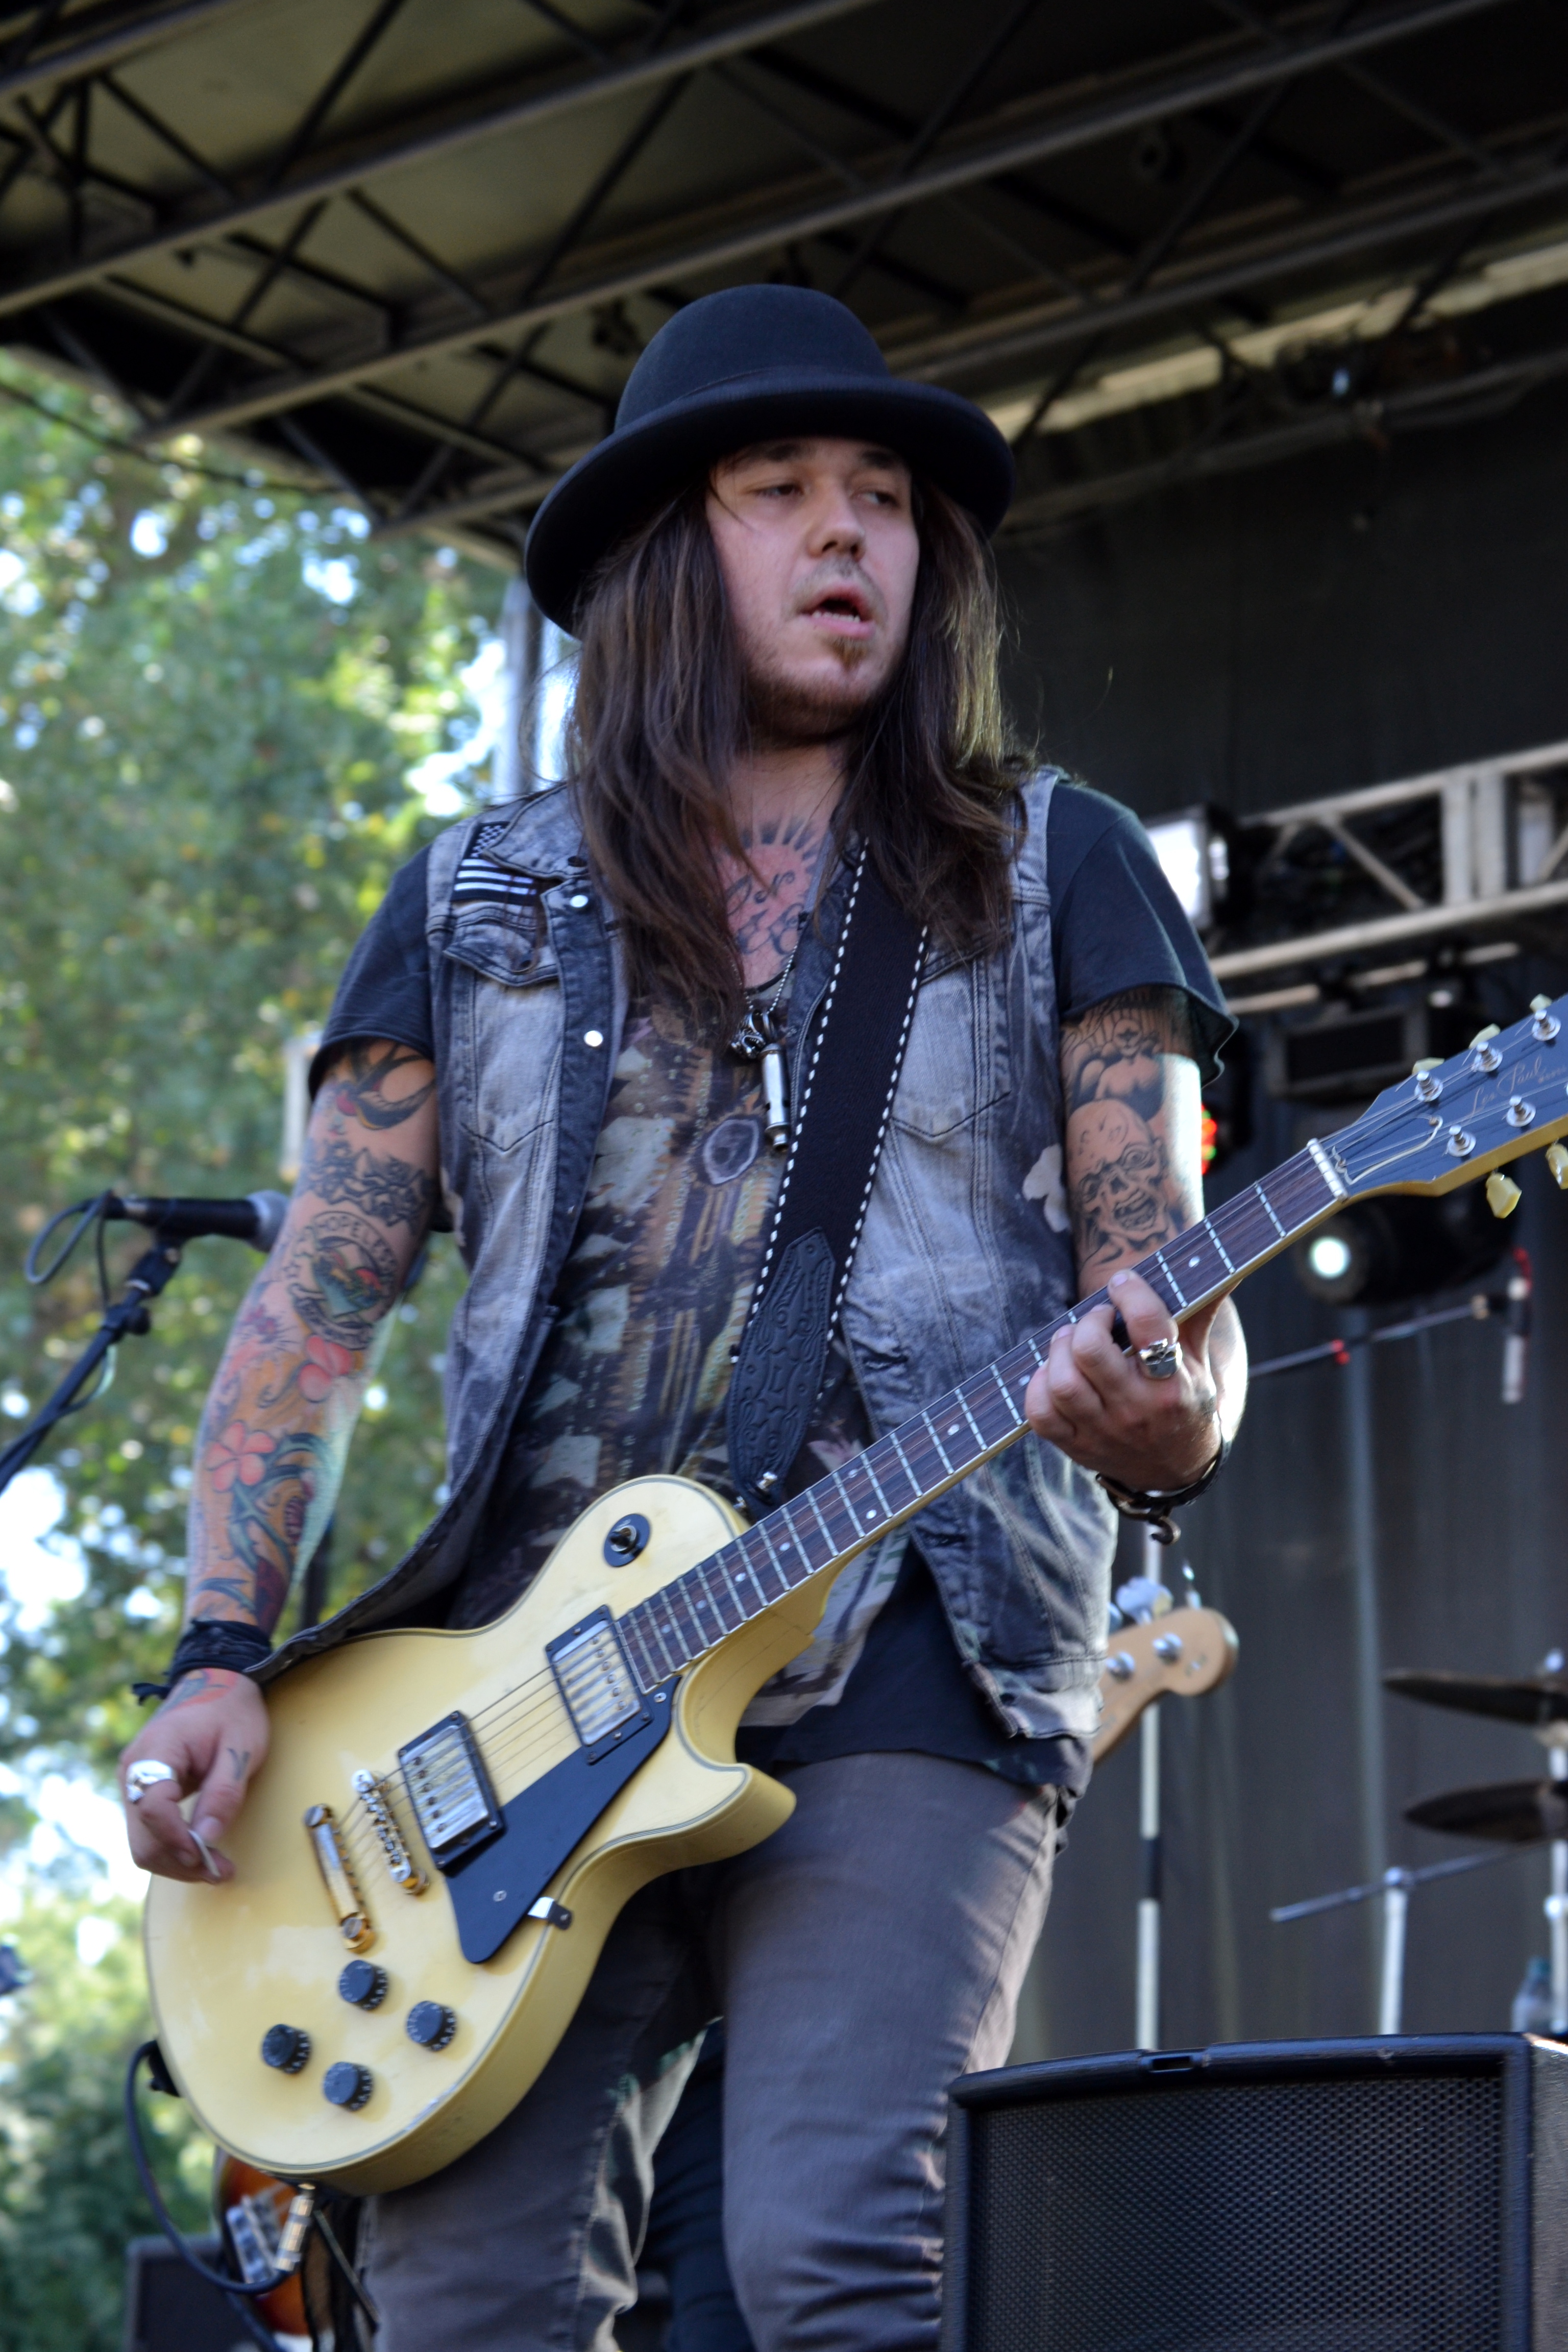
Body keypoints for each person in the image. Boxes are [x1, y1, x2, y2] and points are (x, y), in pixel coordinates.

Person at [119, 284, 1245, 2351]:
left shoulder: (1054, 861)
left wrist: (1167, 1415)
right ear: (662, 549)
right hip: (518, 1695)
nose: (849, 533)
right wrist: (217, 1649)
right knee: (468, 2304)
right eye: (781, 490)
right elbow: (313, 1312)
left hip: (913, 1642)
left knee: (841, 2254)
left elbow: (1163, 1282)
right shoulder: (471, 900)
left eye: (884, 496)